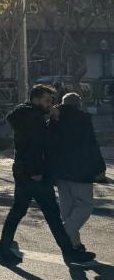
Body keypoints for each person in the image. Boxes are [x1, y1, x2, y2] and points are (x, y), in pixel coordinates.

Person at [0, 85, 95, 265]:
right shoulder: (31, 117)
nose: (51, 105)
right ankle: (69, 252)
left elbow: (39, 142)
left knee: (20, 212)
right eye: (48, 101)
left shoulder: (30, 116)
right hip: (34, 174)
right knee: (51, 214)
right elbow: (33, 146)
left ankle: (3, 250)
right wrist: (36, 172)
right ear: (36, 99)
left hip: (26, 172)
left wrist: (50, 119)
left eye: (52, 101)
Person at [49, 93, 106, 252]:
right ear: (78, 103)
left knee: (67, 208)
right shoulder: (82, 119)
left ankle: (74, 245)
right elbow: (91, 144)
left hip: (60, 171)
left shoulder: (54, 118)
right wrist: (100, 167)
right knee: (85, 206)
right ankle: (65, 234)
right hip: (80, 170)